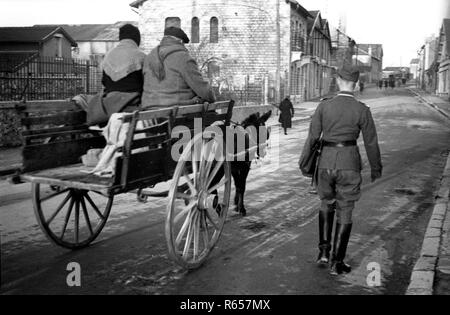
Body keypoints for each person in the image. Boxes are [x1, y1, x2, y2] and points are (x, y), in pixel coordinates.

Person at [299, 64, 382, 276]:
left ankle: (323, 253)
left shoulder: (324, 107)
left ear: (338, 81)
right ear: (356, 84)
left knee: (326, 203)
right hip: (350, 164)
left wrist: (305, 164)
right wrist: (376, 168)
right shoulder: (362, 110)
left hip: (325, 163)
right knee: (345, 209)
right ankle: (338, 262)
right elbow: (371, 142)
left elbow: (312, 137)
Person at [142, 26, 215, 108]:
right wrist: (211, 97)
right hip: (176, 113)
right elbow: (204, 91)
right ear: (180, 41)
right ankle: (198, 121)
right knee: (201, 110)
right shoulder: (183, 58)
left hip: (149, 110)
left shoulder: (148, 58)